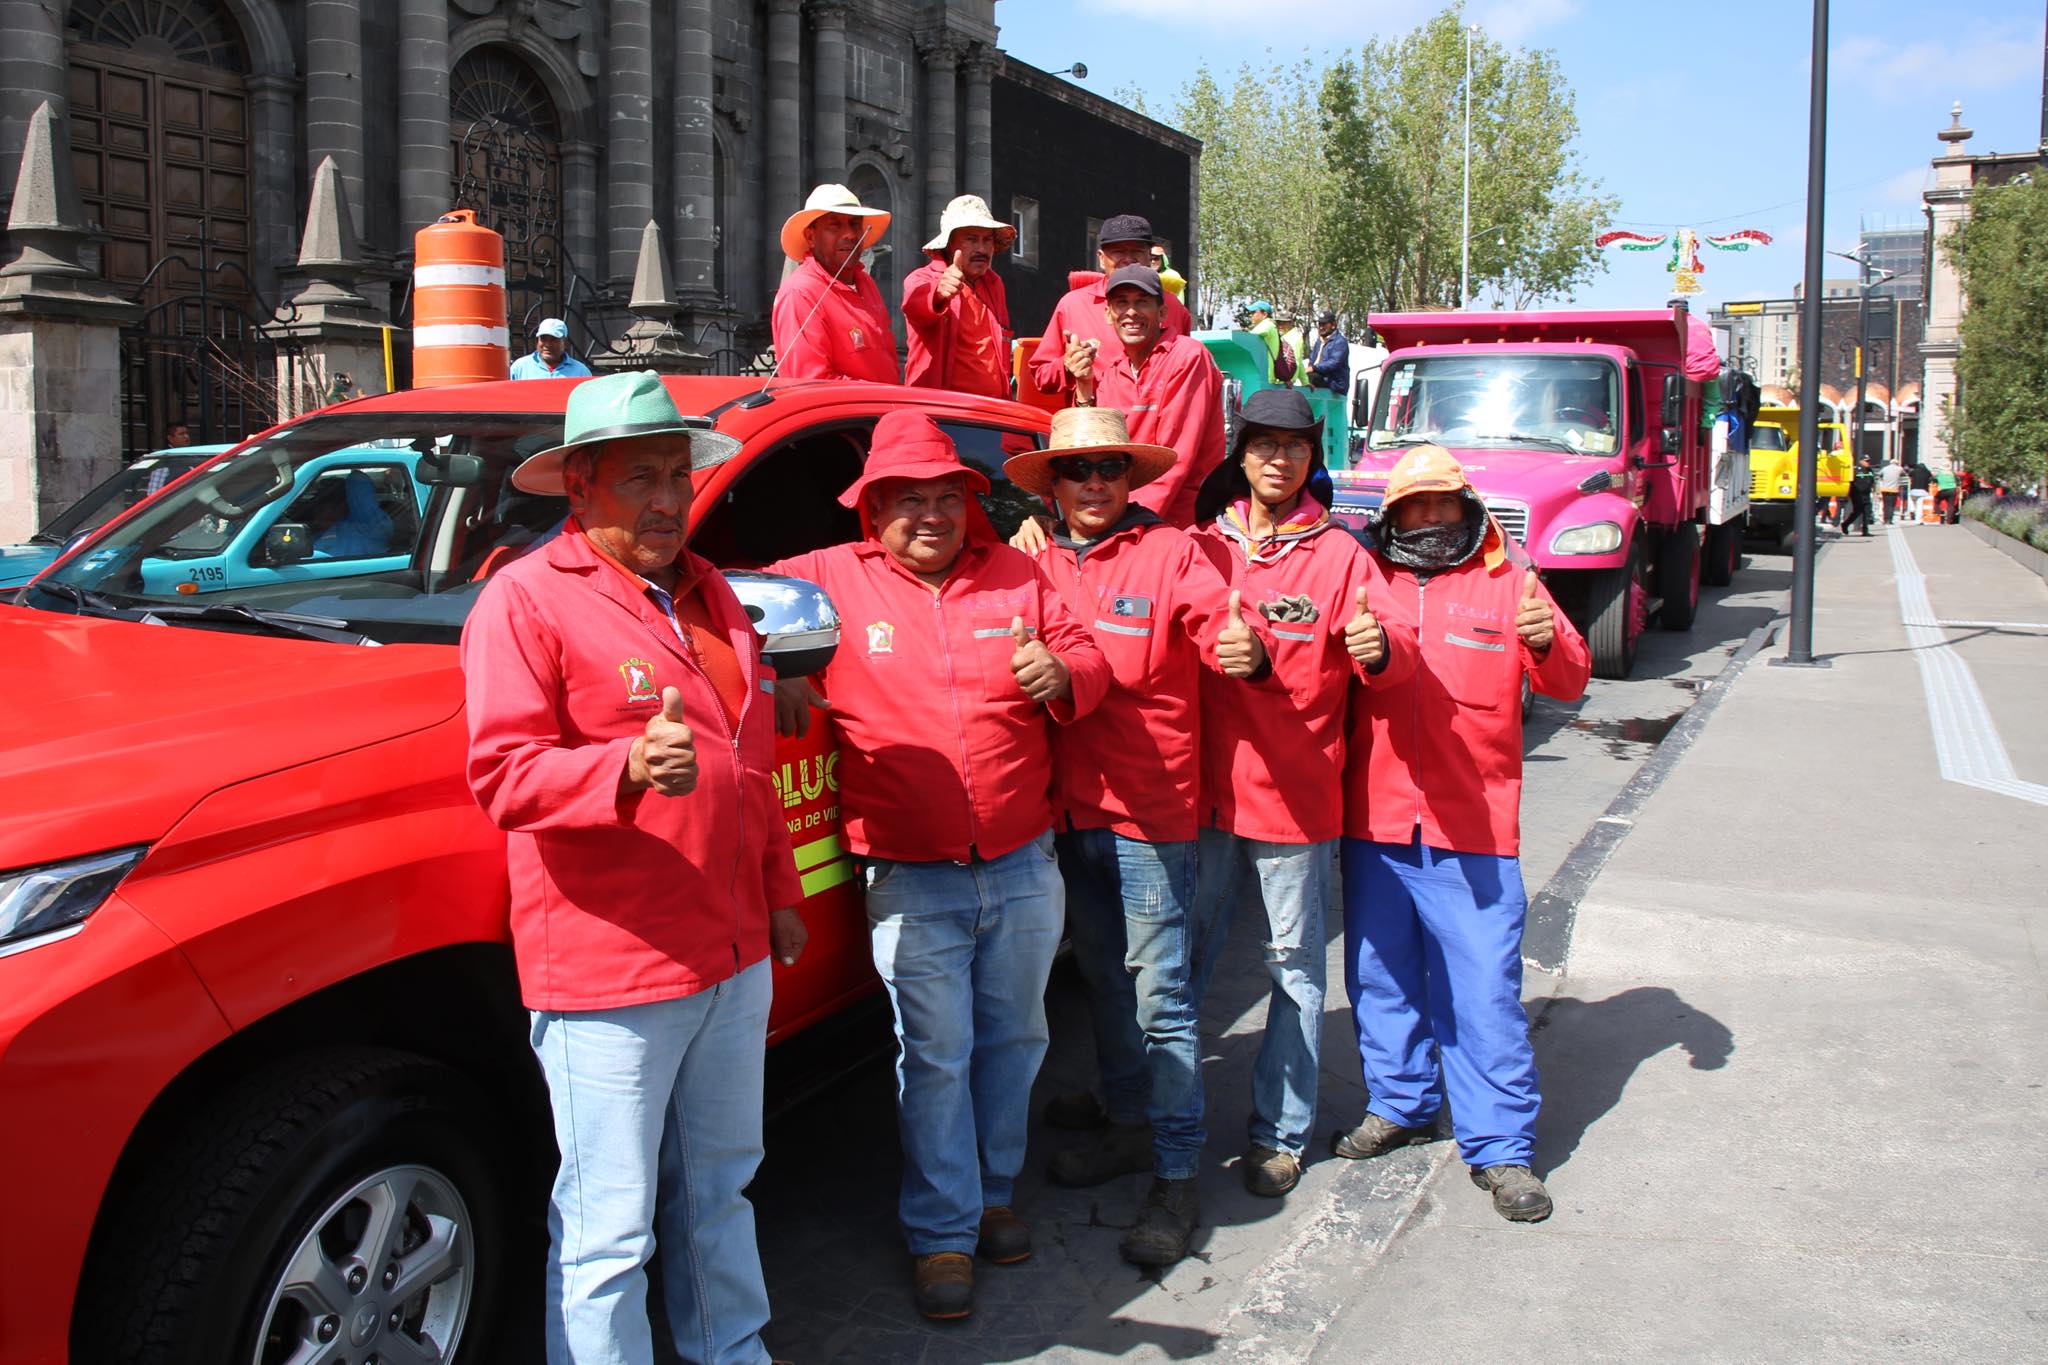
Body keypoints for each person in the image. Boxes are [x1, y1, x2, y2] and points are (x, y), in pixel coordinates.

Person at [459, 370, 804, 1364]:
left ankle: (728, 1350)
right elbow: (502, 777)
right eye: (638, 479)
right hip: (613, 968)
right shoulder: (525, 602)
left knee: (719, 1186)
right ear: (578, 487)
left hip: (729, 954)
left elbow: (750, 768)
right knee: (610, 1225)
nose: (666, 499)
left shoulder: (712, 594)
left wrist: (777, 897)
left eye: (676, 477)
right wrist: (621, 767)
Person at [765, 412, 1109, 1321]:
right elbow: (717, 602)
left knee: (1017, 1040)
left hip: (1023, 859)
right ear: (872, 508)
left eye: (945, 498)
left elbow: (1085, 649)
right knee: (936, 1057)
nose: (930, 515)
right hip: (910, 874)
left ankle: (994, 1195)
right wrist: (779, 664)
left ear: (969, 502)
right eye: (907, 500)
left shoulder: (1017, 574)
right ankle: (943, 1233)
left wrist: (1065, 670)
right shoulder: (829, 580)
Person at [1003, 406, 1275, 1268]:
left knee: (1163, 1000)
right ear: (1051, 484)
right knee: (1104, 983)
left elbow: (1219, 626)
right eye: (1077, 471)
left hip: (1151, 813)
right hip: (1068, 810)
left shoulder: (1170, 555)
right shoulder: (1030, 560)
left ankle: (1176, 1172)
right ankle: (1129, 1123)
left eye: (1109, 470)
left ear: (1130, 480)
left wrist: (1246, 645)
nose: (1094, 485)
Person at [1333, 443, 1589, 1225]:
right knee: (1382, 979)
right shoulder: (1361, 576)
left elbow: (1571, 679)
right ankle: (1401, 1101)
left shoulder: (1511, 579)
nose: (1432, 517)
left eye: (1444, 502)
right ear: (1394, 513)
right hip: (1373, 819)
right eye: (1416, 505)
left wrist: (1545, 639)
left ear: (1465, 505)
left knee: (1483, 994)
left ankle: (1502, 1146)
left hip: (1473, 829)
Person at [1187, 386, 1415, 1200]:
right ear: (1239, 453)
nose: (1278, 458)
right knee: (1181, 969)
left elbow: (1393, 651)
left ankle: (1279, 1133)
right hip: (1203, 798)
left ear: (1313, 456)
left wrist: (1377, 644)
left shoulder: (1345, 555)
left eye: (1294, 445)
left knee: (1293, 971)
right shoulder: (1200, 545)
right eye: (1262, 443)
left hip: (1295, 799)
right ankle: (1170, 1129)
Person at [1060, 265, 1225, 528]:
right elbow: (1092, 448)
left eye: (1142, 302)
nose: (1131, 312)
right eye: (1121, 303)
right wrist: (1083, 384)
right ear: (1108, 314)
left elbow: (1173, 460)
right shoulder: (1113, 372)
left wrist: (1120, 527)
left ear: (1162, 313)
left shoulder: (1188, 356)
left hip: (1181, 525)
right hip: (1125, 520)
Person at [1026, 213, 1195, 398]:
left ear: (1150, 257)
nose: (1129, 259)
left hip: (1156, 422)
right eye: (1119, 251)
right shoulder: (1073, 305)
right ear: (1101, 258)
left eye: (1137, 251)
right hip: (1095, 421)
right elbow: (1041, 377)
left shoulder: (1173, 306)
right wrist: (1068, 364)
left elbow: (1186, 377)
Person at [770, 183, 899, 383]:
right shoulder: (801, 293)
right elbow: (812, 384)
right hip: (853, 413)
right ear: (810, 237)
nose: (849, 234)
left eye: (855, 224)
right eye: (835, 225)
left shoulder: (865, 283)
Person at [902, 194, 1015, 398]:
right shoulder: (924, 278)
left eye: (987, 239)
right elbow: (914, 305)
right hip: (944, 413)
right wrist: (938, 293)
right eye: (971, 239)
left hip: (994, 413)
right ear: (949, 244)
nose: (981, 248)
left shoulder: (994, 284)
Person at [310, 470, 394, 558]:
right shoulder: (314, 537)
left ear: (345, 504)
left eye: (326, 504)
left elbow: (357, 480)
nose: (319, 511)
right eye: (319, 505)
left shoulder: (367, 529)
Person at [510, 317, 595, 379]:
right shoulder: (519, 368)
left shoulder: (581, 372)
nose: (547, 344)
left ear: (565, 343)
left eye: (554, 339)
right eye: (543, 339)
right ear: (537, 341)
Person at [1305, 312, 1350, 398]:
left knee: (1312, 376)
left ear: (1333, 325)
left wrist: (1314, 368)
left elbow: (1334, 362)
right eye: (1320, 324)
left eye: (1324, 324)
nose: (1321, 327)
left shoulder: (1340, 341)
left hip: (1335, 385)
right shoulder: (1319, 341)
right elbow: (1312, 359)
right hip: (1320, 379)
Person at [1245, 300, 1280, 383]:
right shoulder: (1268, 325)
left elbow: (1246, 338)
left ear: (1264, 314)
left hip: (1266, 375)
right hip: (1266, 375)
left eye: (1253, 312)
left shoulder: (1267, 324)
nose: (1250, 315)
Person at [1841, 457, 1876, 536]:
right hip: (1856, 494)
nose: (1868, 462)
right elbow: (1849, 483)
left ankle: (1865, 531)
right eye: (1866, 461)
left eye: (1869, 461)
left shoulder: (1870, 470)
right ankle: (1845, 524)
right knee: (1857, 512)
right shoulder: (1855, 470)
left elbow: (1873, 482)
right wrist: (1846, 495)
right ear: (1861, 461)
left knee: (1867, 512)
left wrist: (1875, 491)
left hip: (1866, 494)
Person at [1877, 455, 1904, 524]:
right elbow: (1904, 474)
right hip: (1894, 490)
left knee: (1885, 504)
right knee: (1891, 505)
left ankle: (1885, 519)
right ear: (1897, 463)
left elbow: (1879, 474)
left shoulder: (1885, 468)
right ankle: (1890, 519)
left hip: (1885, 489)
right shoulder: (1899, 469)